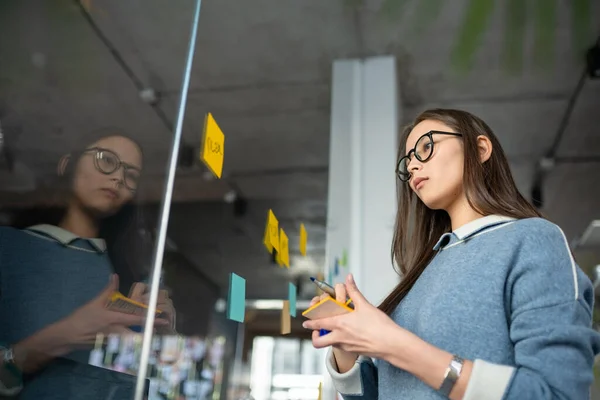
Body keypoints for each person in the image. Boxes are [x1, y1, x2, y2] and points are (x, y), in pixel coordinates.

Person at [304, 109, 600, 399]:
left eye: (426, 147)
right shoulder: (423, 273)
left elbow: (557, 394)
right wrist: (347, 343)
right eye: (407, 163)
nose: (412, 168)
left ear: (480, 148)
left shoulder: (533, 240)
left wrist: (396, 344)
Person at [0, 132, 175, 399]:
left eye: (130, 175)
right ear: (66, 164)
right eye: (106, 161)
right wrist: (62, 336)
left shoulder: (129, 276)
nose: (117, 178)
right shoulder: (9, 247)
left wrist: (167, 340)